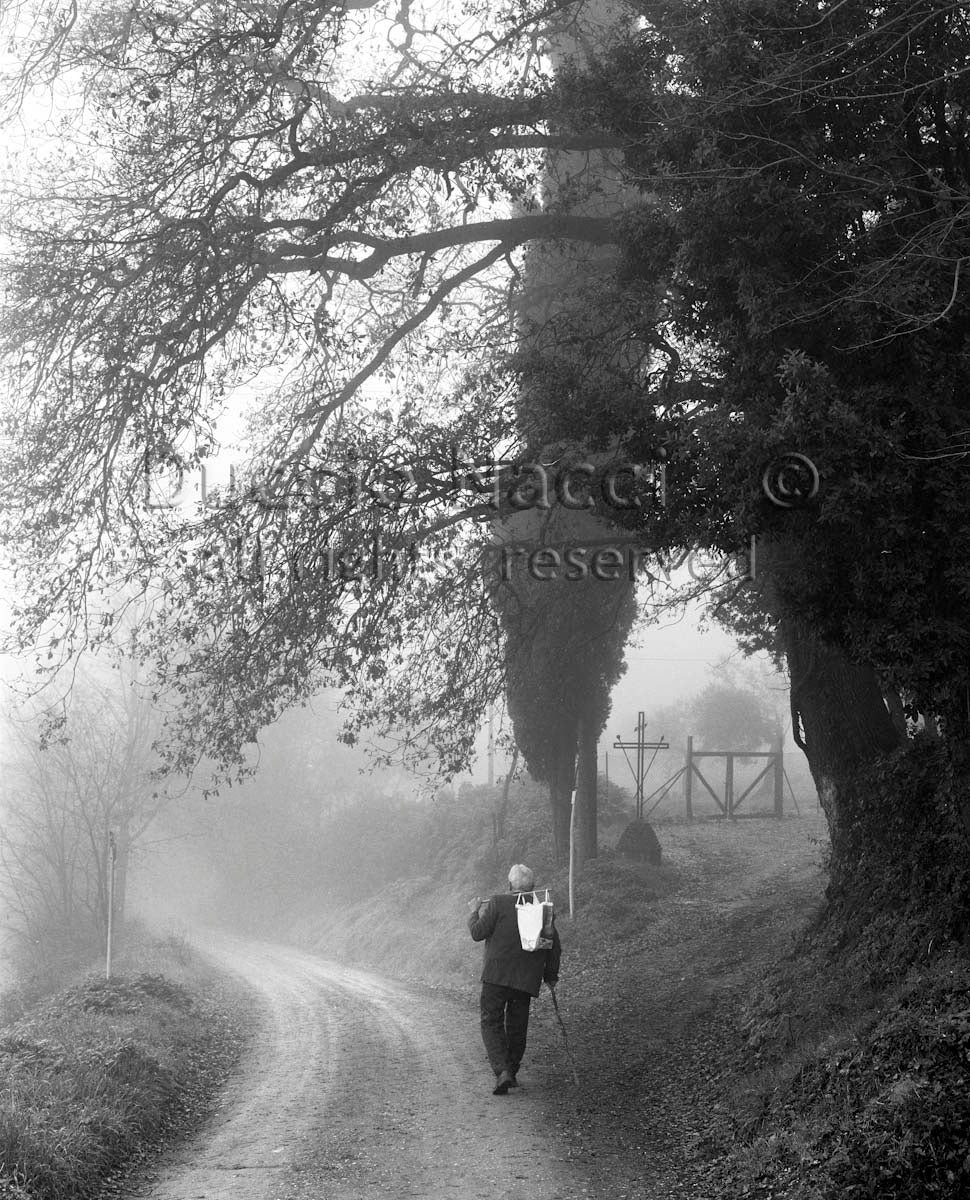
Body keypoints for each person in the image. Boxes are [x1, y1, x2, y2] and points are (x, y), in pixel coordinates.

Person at [467, 863, 562, 1095]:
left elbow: (477, 933)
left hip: (496, 976)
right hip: (525, 980)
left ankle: (503, 1072)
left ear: (509, 885)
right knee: (517, 1026)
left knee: (491, 1021)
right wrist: (550, 976)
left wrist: (473, 911)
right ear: (533, 887)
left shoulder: (498, 902)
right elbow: (553, 947)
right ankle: (511, 1071)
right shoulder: (542, 909)